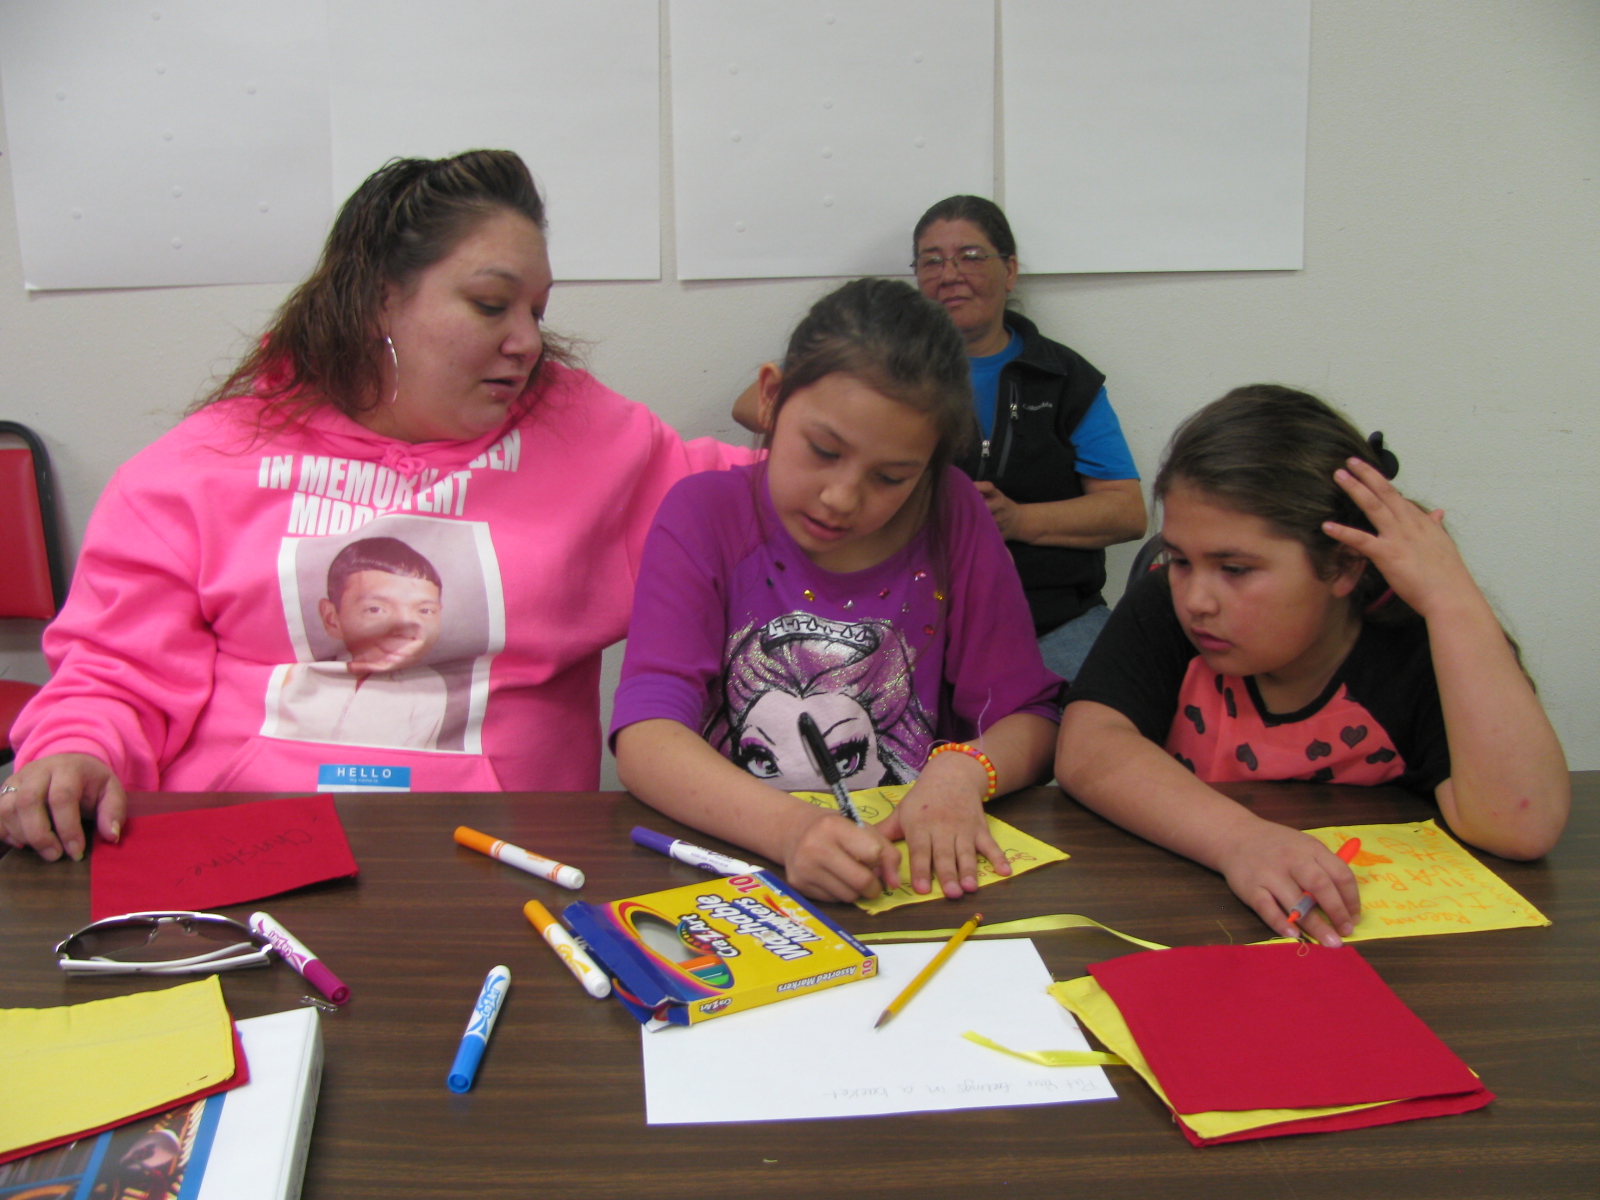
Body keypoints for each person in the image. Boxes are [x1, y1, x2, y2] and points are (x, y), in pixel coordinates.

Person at [0, 150, 750, 862]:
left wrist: (817, 415)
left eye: (536, 313)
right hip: (235, 846)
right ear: (377, 301)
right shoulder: (202, 465)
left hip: (503, 856)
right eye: (492, 305)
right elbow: (113, 672)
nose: (526, 341)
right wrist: (75, 749)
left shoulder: (594, 443)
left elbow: (765, 507)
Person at [1056, 385, 1570, 946]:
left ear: (1344, 567)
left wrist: (1453, 601)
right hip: (1199, 930)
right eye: (1180, 559)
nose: (1197, 598)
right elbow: (1088, 750)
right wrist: (1240, 841)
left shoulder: (1414, 643)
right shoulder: (1165, 606)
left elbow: (1520, 825)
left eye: (1234, 568)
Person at [614, 278, 1063, 904]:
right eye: (823, 451)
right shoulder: (704, 514)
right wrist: (792, 830)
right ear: (771, 399)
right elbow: (646, 735)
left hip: (906, 879)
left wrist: (963, 772)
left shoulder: (950, 512)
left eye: (891, 477)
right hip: (736, 873)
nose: (842, 498)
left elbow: (1030, 717)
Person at [733, 196, 1146, 682]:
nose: (950, 273)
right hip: (906, 616)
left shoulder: (1063, 377)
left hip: (1051, 617)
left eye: (970, 256)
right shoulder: (878, 363)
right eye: (932, 260)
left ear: (1010, 271)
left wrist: (1018, 519)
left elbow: (1127, 511)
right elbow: (749, 406)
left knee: (1093, 726)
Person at [271, 536, 450, 750]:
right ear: (331, 618)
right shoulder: (295, 679)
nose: (405, 626)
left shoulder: (429, 692)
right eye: (375, 609)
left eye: (424, 611)